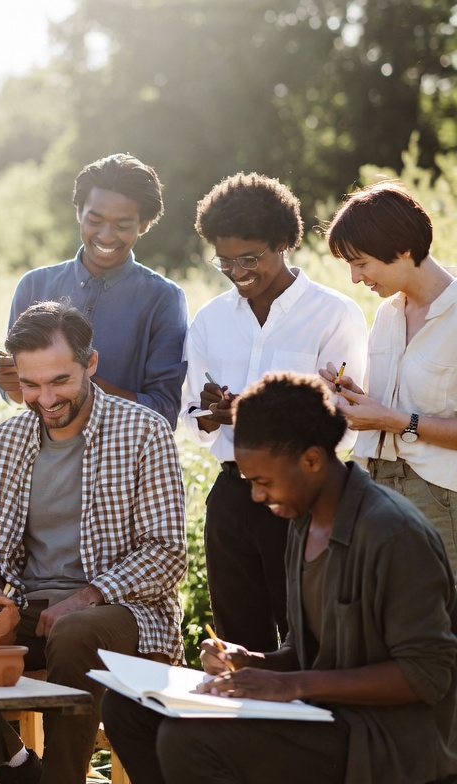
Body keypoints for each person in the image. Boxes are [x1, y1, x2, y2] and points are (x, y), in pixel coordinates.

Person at [102, 372, 457, 784]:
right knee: (127, 710)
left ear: (312, 460)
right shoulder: (304, 523)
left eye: (263, 482)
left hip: (384, 741)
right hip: (323, 715)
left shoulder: (392, 533)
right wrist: (251, 662)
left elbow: (425, 675)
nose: (256, 496)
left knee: (189, 739)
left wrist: (293, 686)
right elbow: (309, 652)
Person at [0, 301, 187, 784]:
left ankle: (62, 778)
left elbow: (166, 553)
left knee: (74, 631)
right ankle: (14, 767)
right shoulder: (7, 439)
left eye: (59, 381)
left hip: (125, 616)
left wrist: (87, 597)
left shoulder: (144, 431)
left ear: (90, 364)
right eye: (31, 384)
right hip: (30, 613)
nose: (45, 398)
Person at [180, 172, 368, 654]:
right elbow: (194, 421)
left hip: (304, 499)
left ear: (283, 242)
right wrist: (212, 413)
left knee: (311, 640)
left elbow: (346, 424)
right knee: (238, 642)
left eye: (249, 259)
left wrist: (255, 415)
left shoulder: (334, 315)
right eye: (224, 261)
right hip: (231, 498)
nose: (237, 272)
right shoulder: (210, 320)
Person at [322, 181, 457, 574]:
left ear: (402, 250)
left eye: (361, 263)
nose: (355, 277)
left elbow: (398, 417)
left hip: (439, 497)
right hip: (376, 489)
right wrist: (356, 398)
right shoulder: (386, 314)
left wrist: (396, 421)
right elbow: (393, 406)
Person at [0, 153, 187, 427]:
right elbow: (16, 394)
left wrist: (81, 383)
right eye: (95, 221)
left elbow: (165, 410)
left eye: (122, 225)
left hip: (124, 449)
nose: (106, 235)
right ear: (79, 213)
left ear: (144, 225)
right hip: (44, 448)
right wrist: (13, 383)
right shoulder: (33, 285)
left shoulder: (163, 298)